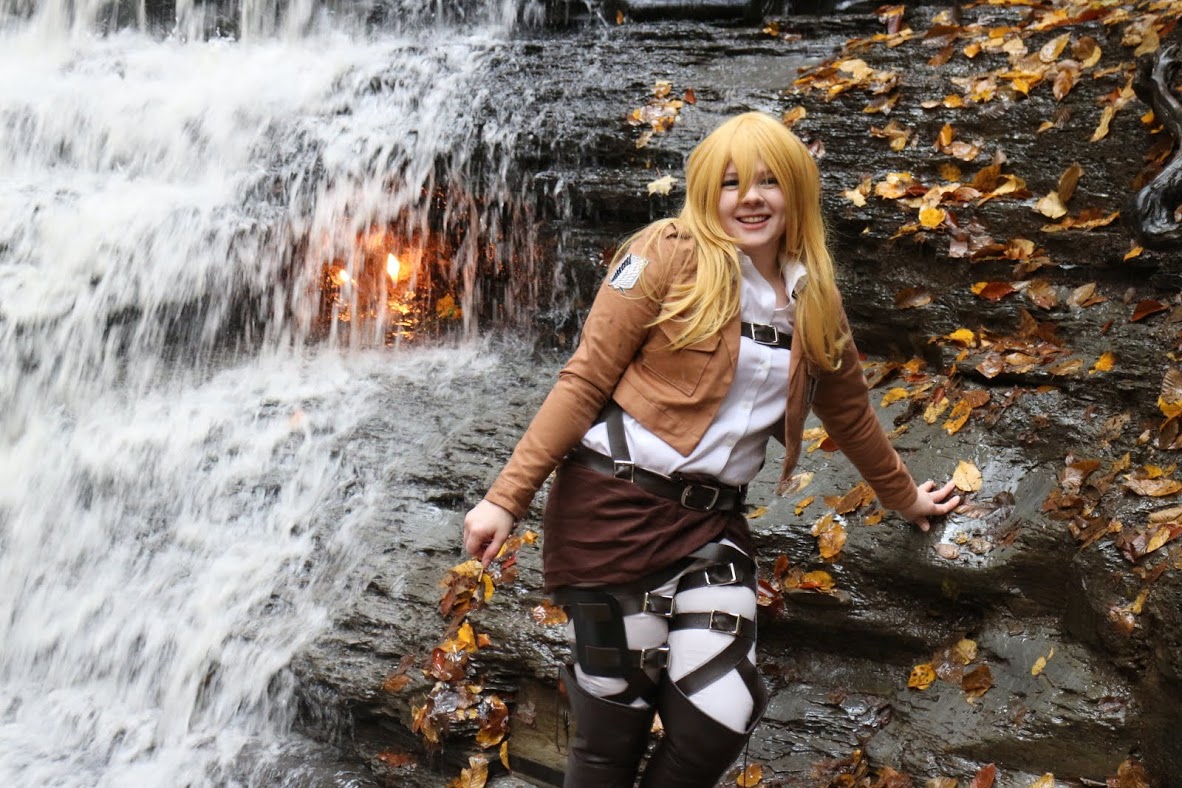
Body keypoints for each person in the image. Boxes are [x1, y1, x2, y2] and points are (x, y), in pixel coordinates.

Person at [462, 111, 960, 787]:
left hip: (711, 524)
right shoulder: (668, 254)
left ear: (795, 193)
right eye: (731, 183)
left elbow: (849, 414)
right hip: (612, 511)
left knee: (720, 716)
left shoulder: (813, 297)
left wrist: (905, 498)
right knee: (614, 727)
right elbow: (584, 380)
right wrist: (504, 499)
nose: (750, 198)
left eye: (768, 182)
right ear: (706, 192)